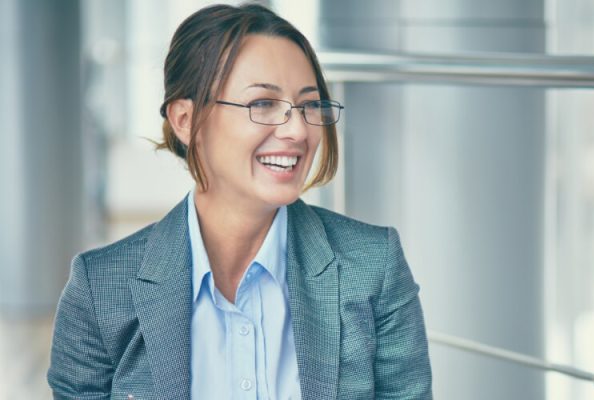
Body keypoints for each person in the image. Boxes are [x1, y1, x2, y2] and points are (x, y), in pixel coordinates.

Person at [47, 4, 432, 399]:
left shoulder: (374, 267)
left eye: (309, 105)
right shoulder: (99, 290)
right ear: (185, 120)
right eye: (262, 103)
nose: (298, 130)